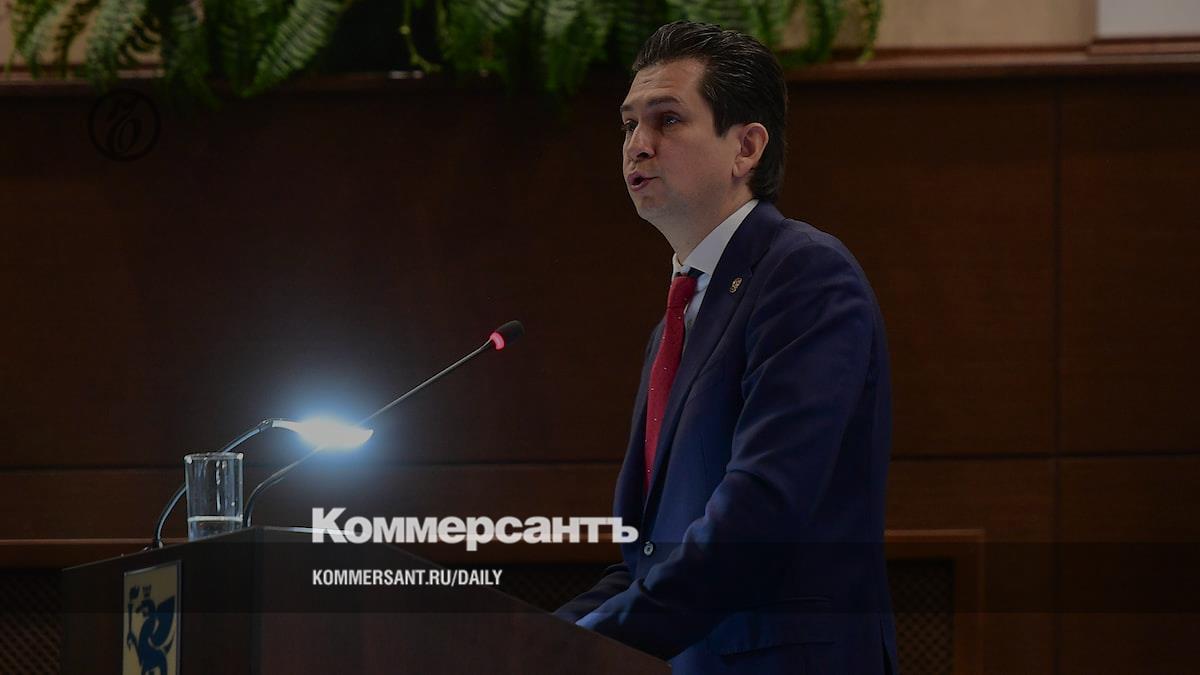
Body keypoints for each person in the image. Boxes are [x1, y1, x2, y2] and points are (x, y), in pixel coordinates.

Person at [554, 21, 899, 674]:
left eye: (667, 120)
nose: (637, 145)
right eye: (628, 124)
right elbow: (648, 559)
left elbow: (757, 517)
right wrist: (537, 640)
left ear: (746, 147)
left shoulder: (805, 276)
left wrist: (581, 648)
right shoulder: (680, 316)